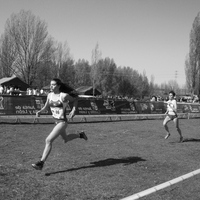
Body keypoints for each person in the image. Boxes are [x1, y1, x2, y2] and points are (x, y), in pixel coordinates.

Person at [32, 78, 88, 170]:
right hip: (56, 122)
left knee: (48, 140)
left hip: (62, 122)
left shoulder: (63, 96)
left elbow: (75, 99)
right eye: (50, 84)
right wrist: (40, 111)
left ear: (58, 86)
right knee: (66, 139)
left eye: (53, 85)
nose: (51, 86)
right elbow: (46, 107)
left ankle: (41, 163)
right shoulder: (49, 95)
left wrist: (74, 110)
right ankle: (80, 135)